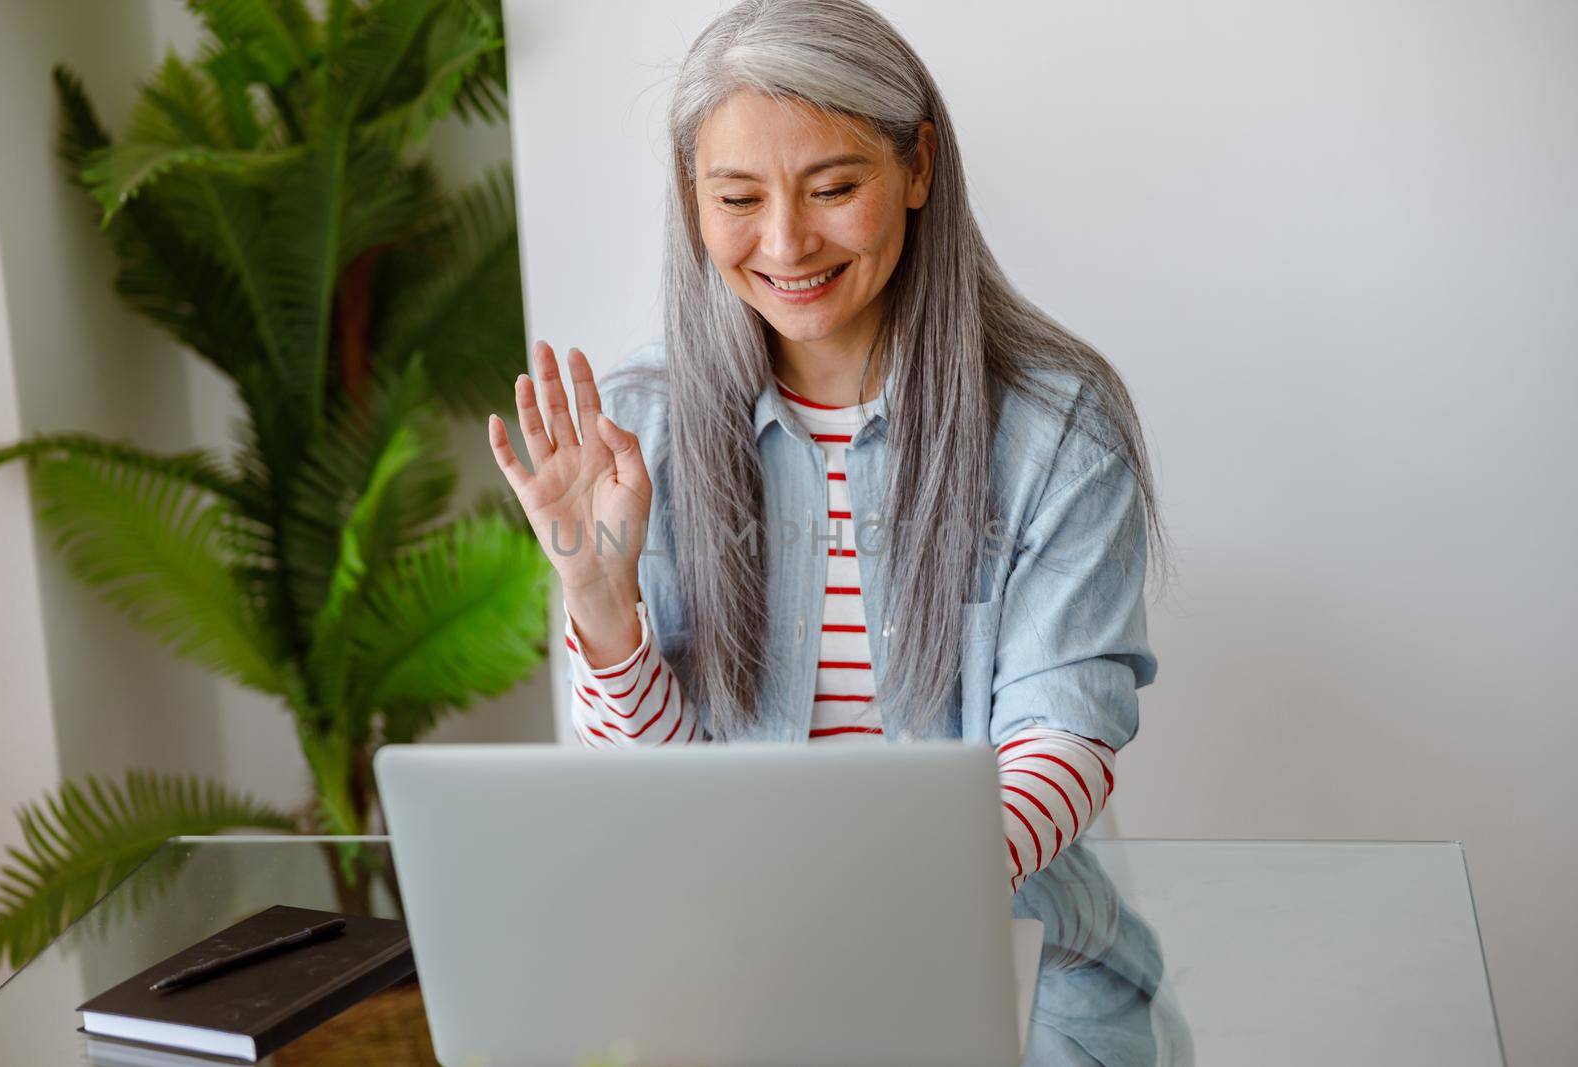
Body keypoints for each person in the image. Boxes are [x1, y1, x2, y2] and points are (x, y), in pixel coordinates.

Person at [487, 0, 1166, 899]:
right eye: (737, 198)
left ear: (918, 165)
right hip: (737, 940)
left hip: (980, 930)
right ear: (692, 197)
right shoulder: (637, 430)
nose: (786, 243)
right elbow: (662, 795)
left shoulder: (1058, 428)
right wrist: (601, 606)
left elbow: (1063, 734)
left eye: (835, 188)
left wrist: (897, 896)